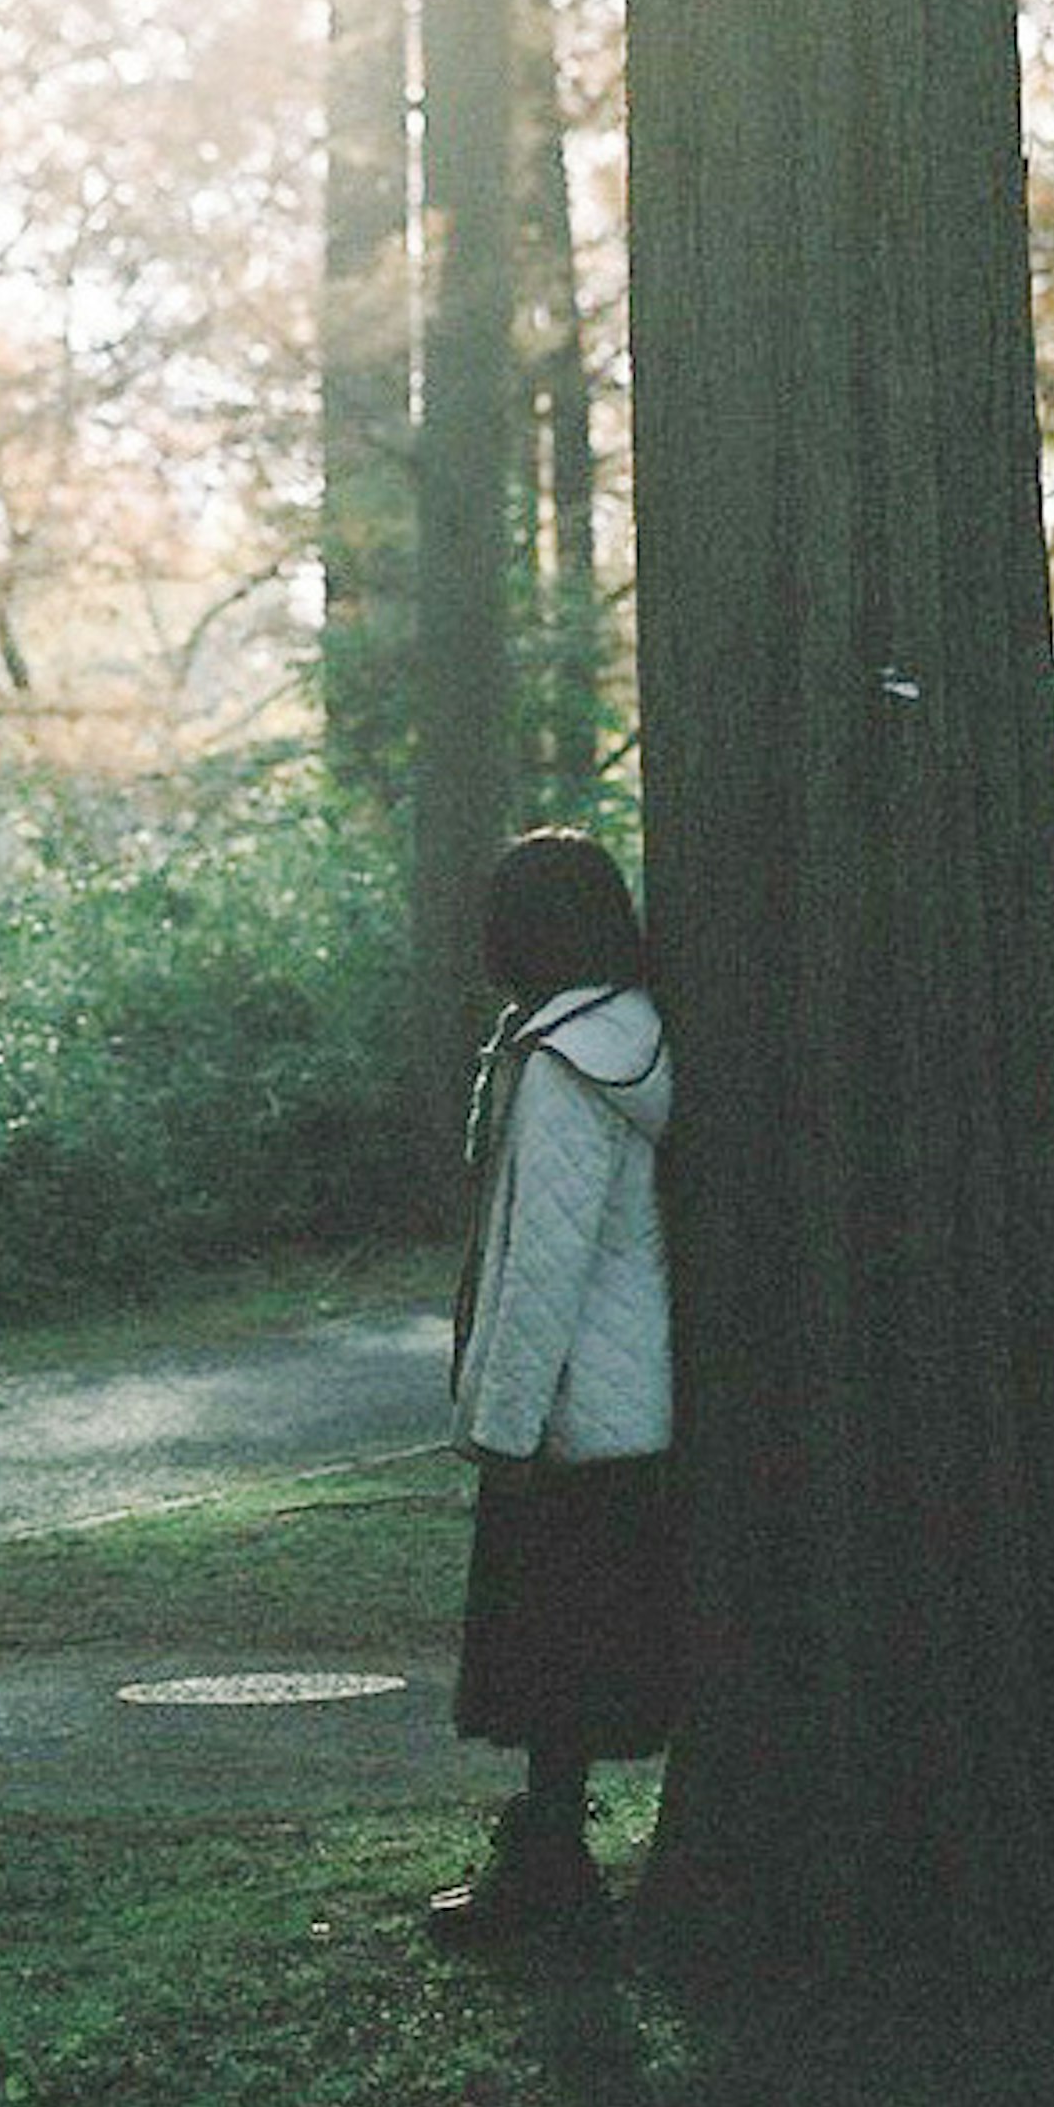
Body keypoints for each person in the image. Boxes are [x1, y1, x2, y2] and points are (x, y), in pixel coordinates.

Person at [428, 823, 677, 1949]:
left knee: (552, 1658)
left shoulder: (569, 1060)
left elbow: (545, 1263)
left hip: (576, 1412)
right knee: (579, 1651)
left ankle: (547, 1872)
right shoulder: (621, 1035)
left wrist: (508, 1429)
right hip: (624, 1404)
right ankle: (548, 1856)